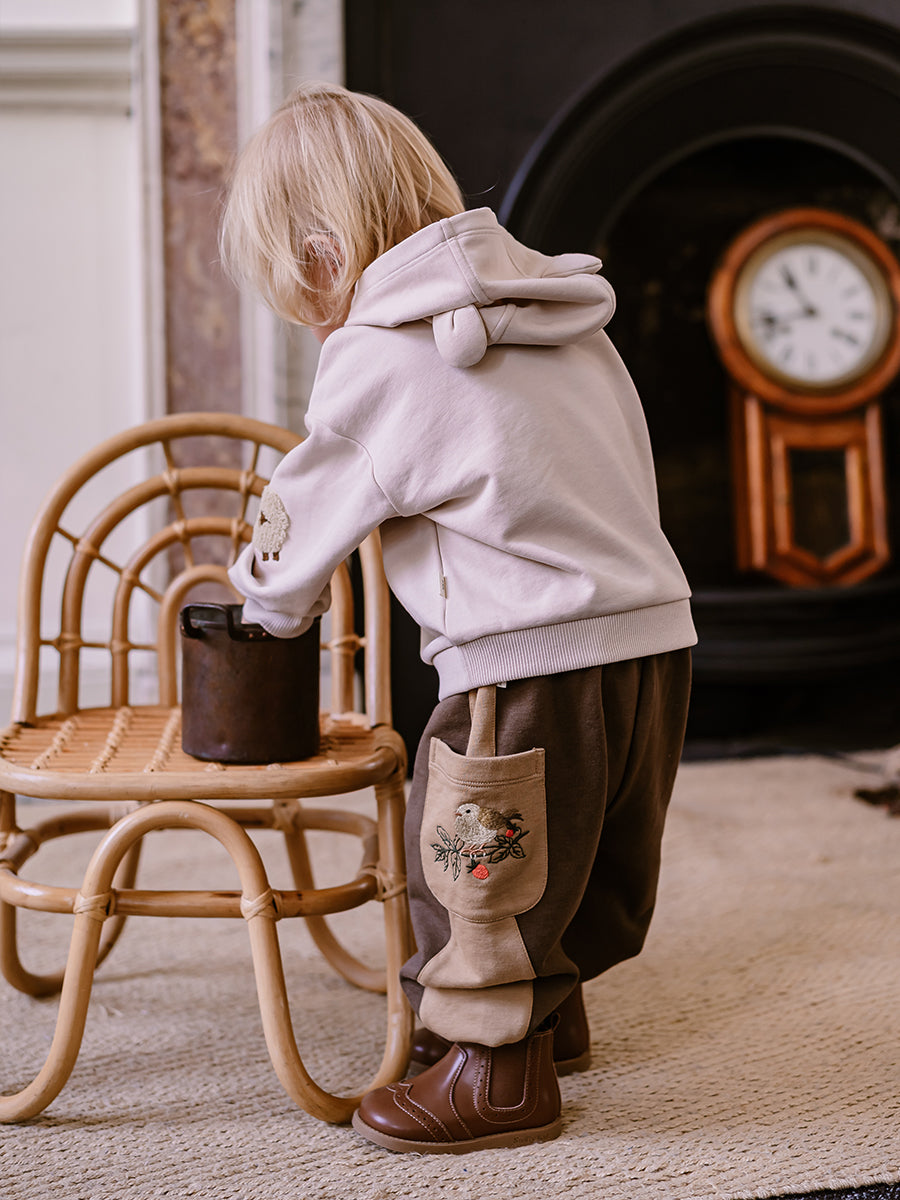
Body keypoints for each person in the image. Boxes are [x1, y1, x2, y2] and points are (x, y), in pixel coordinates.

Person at [221, 81, 696, 1155]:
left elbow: (306, 513)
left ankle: (495, 1074)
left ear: (320, 259)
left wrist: (266, 601)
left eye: (297, 295)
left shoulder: (380, 355)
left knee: (475, 866)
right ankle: (551, 1016)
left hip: (522, 659)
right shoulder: (566, 310)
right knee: (583, 842)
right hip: (656, 636)